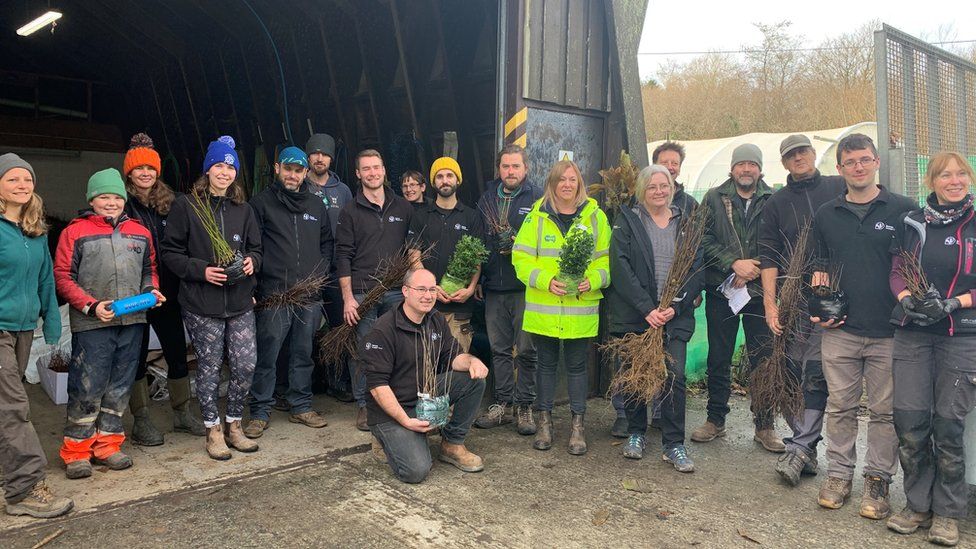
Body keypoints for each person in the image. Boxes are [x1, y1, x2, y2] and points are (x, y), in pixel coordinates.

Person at [811, 134, 914, 519]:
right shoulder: (826, 214)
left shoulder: (903, 210)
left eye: (864, 160)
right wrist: (818, 304)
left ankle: (878, 481)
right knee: (840, 407)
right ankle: (838, 474)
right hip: (840, 332)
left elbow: (914, 265)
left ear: (876, 163)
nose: (858, 167)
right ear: (839, 169)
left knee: (886, 412)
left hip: (890, 331)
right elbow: (818, 266)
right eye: (850, 162)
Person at [886, 152, 976, 547]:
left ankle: (947, 513)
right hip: (914, 333)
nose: (954, 181)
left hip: (962, 335)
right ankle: (917, 504)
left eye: (961, 174)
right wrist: (907, 299)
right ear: (932, 181)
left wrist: (956, 303)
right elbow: (897, 270)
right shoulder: (914, 221)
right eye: (945, 175)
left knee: (948, 426)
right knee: (910, 423)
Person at [54, 168, 162, 479]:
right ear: (92, 199)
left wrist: (150, 290)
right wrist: (90, 305)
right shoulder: (74, 232)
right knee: (88, 386)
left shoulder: (139, 232)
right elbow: (63, 277)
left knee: (120, 384)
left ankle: (108, 445)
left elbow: (149, 269)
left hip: (133, 321)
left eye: (116, 197)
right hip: (92, 324)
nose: (111, 202)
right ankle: (76, 450)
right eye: (104, 197)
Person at [161, 136, 262, 460]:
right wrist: (200, 270)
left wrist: (252, 262)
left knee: (246, 365)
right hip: (202, 304)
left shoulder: (243, 210)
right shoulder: (187, 206)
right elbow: (170, 252)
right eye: (218, 165)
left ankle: (234, 425)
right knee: (209, 367)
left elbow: (257, 249)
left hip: (240, 302)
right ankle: (213, 430)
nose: (224, 172)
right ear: (208, 170)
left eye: (230, 166)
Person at [759, 134, 845, 485]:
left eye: (803, 152)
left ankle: (804, 448)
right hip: (795, 300)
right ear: (783, 163)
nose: (799, 158)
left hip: (839, 296)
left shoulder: (839, 187)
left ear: (814, 154)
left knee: (820, 372)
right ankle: (805, 446)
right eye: (791, 155)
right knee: (794, 369)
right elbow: (767, 254)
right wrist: (769, 301)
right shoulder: (776, 202)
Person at [608, 165, 703, 472]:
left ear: (672, 188)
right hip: (639, 316)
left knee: (674, 378)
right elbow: (620, 268)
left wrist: (676, 306)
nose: (659, 191)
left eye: (664, 186)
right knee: (636, 376)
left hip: (673, 316)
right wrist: (647, 309)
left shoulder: (685, 223)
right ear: (642, 191)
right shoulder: (629, 221)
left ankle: (674, 443)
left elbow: (697, 268)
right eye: (652, 187)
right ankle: (636, 433)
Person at [512, 159, 611, 455]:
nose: (567, 185)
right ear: (552, 184)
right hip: (545, 309)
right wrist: (545, 280)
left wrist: (592, 280)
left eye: (572, 179)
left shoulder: (596, 218)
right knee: (546, 367)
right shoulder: (536, 217)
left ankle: (578, 427)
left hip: (580, 310)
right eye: (561, 180)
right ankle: (545, 423)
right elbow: (520, 258)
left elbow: (606, 262)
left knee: (578, 368)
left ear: (579, 183)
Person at [693, 144, 783, 452]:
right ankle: (715, 420)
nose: (746, 169)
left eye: (752, 165)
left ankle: (765, 425)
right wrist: (733, 262)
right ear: (732, 169)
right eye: (741, 164)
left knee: (763, 359)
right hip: (723, 290)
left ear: (760, 169)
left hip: (760, 293)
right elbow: (701, 238)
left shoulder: (773, 200)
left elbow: (781, 239)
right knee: (719, 356)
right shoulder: (715, 198)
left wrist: (755, 267)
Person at [362, 268, 489, 483]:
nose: (428, 296)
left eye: (432, 289)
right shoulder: (383, 329)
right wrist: (406, 421)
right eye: (421, 289)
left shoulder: (435, 320)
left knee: (473, 380)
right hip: (393, 407)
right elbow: (377, 386)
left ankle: (452, 444)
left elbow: (453, 356)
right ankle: (386, 437)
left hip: (424, 394)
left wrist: (472, 361)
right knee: (416, 471)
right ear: (405, 291)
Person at [0, 154, 73, 517]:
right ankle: (23, 489)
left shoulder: (35, 230)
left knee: (5, 405)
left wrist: (52, 319)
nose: (21, 185)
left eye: (26, 179)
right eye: (12, 179)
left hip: (25, 328)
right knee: (14, 407)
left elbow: (46, 279)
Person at [121, 133, 205, 446]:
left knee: (176, 352)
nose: (145, 173)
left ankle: (182, 413)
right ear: (129, 172)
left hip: (169, 292)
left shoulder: (175, 203)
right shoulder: (122, 204)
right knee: (136, 356)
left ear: (158, 172)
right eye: (138, 168)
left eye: (151, 168)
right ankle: (141, 419)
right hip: (135, 293)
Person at [246, 147, 334, 438]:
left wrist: (319, 275)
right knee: (268, 354)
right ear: (276, 168)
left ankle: (301, 405)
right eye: (288, 169)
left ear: (305, 173)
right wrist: (256, 286)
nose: (293, 175)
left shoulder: (315, 204)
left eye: (298, 170)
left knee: (303, 352)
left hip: (308, 295)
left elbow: (327, 243)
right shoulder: (261, 204)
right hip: (275, 294)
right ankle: (260, 411)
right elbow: (253, 248)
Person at [335, 149, 414, 430]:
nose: (372, 173)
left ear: (384, 171)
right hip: (362, 293)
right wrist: (348, 299)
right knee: (365, 350)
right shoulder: (349, 212)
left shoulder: (403, 208)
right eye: (366, 169)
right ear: (358, 174)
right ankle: (365, 406)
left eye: (376, 167)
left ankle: (395, 400)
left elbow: (412, 251)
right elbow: (342, 256)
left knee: (399, 348)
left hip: (395, 291)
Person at [473, 144, 542, 434]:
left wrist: (516, 241)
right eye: (505, 166)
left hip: (524, 287)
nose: (510, 172)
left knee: (526, 349)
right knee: (499, 348)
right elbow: (477, 242)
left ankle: (525, 406)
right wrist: (477, 280)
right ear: (499, 169)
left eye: (515, 166)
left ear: (525, 168)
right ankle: (503, 404)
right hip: (494, 288)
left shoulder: (537, 199)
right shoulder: (487, 198)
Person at [408, 157, 485, 352]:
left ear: (457, 180)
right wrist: (430, 287)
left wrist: (471, 288)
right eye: (440, 176)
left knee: (457, 363)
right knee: (425, 363)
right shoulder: (421, 216)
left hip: (460, 307)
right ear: (433, 183)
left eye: (450, 175)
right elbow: (413, 255)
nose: (445, 180)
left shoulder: (472, 216)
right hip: (427, 305)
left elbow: (477, 257)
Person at [304, 133, 353, 401]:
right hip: (307, 273)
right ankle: (304, 385)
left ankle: (337, 381)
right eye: (314, 153)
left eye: (324, 154)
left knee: (338, 329)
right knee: (305, 331)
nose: (319, 158)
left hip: (336, 271)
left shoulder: (343, 191)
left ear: (331, 158)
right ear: (308, 157)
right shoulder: (299, 184)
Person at [651, 141, 698, 217]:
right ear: (654, 166)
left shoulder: (690, 204)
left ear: (679, 169)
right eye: (664, 163)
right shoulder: (640, 200)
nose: (669, 167)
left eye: (674, 163)